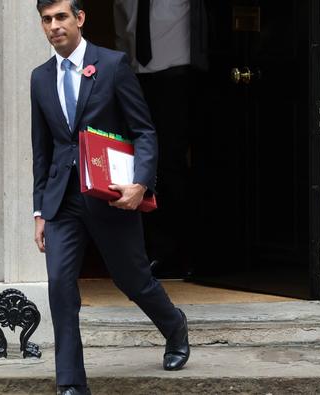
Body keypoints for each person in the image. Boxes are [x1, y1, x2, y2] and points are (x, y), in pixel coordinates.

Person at [31, 1, 190, 394]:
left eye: (61, 17)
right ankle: (70, 384)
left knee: (132, 279)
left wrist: (141, 184)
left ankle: (174, 325)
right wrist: (39, 210)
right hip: (62, 202)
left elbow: (144, 131)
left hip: (111, 196)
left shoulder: (113, 65)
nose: (54, 26)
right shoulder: (39, 78)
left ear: (80, 19)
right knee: (60, 285)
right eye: (46, 20)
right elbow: (42, 150)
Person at [114, 0, 209, 278]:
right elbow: (123, 32)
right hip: (135, 79)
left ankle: (182, 252)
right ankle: (150, 251)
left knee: (171, 162)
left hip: (178, 78)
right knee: (137, 164)